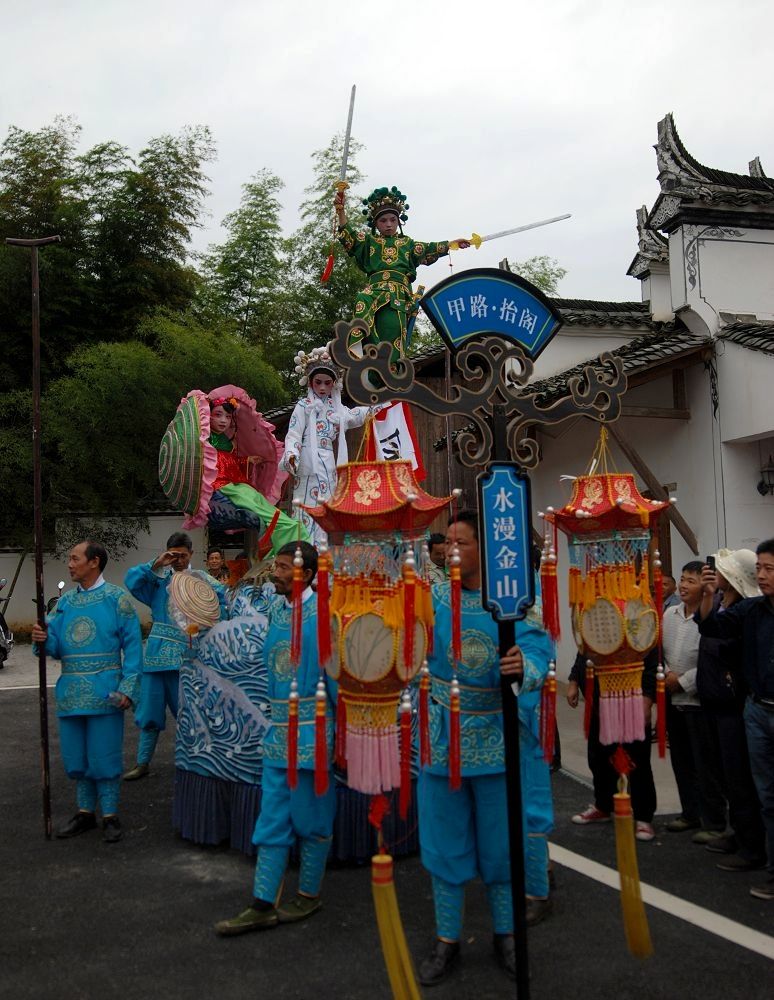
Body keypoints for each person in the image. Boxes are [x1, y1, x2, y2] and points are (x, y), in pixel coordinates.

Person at [416, 510, 554, 986]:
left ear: (485, 549)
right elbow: (404, 638)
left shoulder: (511, 601)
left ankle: (506, 934)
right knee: (444, 843)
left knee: (500, 846)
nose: (452, 549)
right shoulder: (429, 596)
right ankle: (446, 940)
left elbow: (538, 648)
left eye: (463, 542)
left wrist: (525, 663)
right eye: (449, 541)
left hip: (496, 737)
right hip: (441, 737)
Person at [214, 541, 337, 935]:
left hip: (314, 734)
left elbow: (336, 680)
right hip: (277, 735)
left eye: (284, 567)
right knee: (271, 820)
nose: (276, 573)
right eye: (277, 566)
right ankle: (263, 902)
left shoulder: (324, 615)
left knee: (312, 818)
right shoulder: (279, 615)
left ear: (305, 572)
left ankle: (309, 894)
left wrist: (342, 738)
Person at [31, 540, 142, 843]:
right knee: (77, 758)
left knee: (104, 757)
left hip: (106, 693)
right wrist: (42, 637)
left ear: (94, 562)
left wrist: (128, 689)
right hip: (71, 693)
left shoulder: (117, 599)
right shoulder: (65, 603)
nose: (69, 563)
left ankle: (109, 814)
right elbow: (53, 647)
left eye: (74, 558)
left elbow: (133, 648)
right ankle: (84, 813)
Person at [697, 539, 774, 901]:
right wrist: (709, 593)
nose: (761, 575)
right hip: (757, 710)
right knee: (766, 795)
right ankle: (769, 867)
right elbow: (713, 629)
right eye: (758, 568)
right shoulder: (754, 610)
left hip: (746, 706)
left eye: (769, 569)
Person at [123, 532, 227, 780]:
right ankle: (142, 762)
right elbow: (131, 581)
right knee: (149, 712)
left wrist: (207, 630)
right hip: (157, 657)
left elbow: (223, 602)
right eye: (173, 555)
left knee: (190, 711)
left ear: (191, 554)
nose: (178, 560)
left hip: (188, 656)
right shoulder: (158, 581)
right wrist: (156, 563)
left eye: (182, 555)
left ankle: (196, 761)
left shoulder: (202, 580)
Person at [336, 186, 470, 360]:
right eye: (383, 220)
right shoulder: (369, 242)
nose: (389, 224)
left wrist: (452, 243)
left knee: (392, 335)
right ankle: (360, 354)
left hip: (398, 297)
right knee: (362, 299)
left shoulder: (407, 244)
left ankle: (391, 372)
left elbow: (431, 248)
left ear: (399, 221)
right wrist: (340, 211)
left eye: (393, 219)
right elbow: (349, 237)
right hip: (374, 294)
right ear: (376, 223)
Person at [281, 347, 380, 547]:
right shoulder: (303, 406)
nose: (323, 387)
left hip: (328, 463)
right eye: (318, 382)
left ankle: (325, 551)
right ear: (310, 383)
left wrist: (376, 406)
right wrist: (292, 454)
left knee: (328, 506)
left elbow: (354, 416)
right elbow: (293, 434)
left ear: (334, 384)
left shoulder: (337, 409)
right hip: (308, 462)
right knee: (307, 506)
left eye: (327, 383)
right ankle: (306, 550)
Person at [662, 561, 726, 841]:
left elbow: (714, 661)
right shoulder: (669, 614)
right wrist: (667, 676)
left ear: (706, 586)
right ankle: (690, 813)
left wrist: (684, 680)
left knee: (706, 764)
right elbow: (662, 653)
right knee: (681, 760)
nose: (684, 585)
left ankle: (713, 821)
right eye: (683, 579)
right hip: (672, 698)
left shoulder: (714, 617)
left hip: (699, 700)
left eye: (691, 580)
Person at [567, 649, 657, 841]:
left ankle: (643, 817)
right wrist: (574, 681)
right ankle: (603, 806)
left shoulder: (638, 623)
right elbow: (582, 653)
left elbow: (652, 661)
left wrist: (647, 700)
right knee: (598, 756)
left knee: (637, 760)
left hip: (631, 699)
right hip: (599, 700)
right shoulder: (593, 621)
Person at [206, 394, 307, 555]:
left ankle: (288, 531)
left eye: (228, 417)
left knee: (258, 499)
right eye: (218, 415)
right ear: (208, 416)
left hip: (235, 482)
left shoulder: (226, 441)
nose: (223, 420)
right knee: (253, 504)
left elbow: (230, 461)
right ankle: (286, 531)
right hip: (220, 485)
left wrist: (248, 460)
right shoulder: (205, 440)